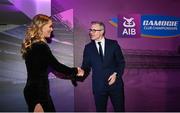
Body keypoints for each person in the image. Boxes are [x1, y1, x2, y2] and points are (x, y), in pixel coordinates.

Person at [20, 14, 84, 112]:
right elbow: (57, 66)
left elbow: (53, 68)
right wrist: (76, 71)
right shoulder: (41, 46)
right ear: (41, 27)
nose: (52, 29)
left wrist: (71, 74)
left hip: (34, 90)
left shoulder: (33, 46)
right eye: (50, 26)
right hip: (38, 93)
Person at [80, 21, 125, 112]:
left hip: (115, 85)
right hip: (99, 87)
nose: (91, 32)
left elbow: (121, 62)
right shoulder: (88, 48)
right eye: (90, 30)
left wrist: (116, 74)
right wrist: (80, 72)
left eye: (94, 30)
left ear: (102, 31)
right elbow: (86, 66)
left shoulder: (113, 44)